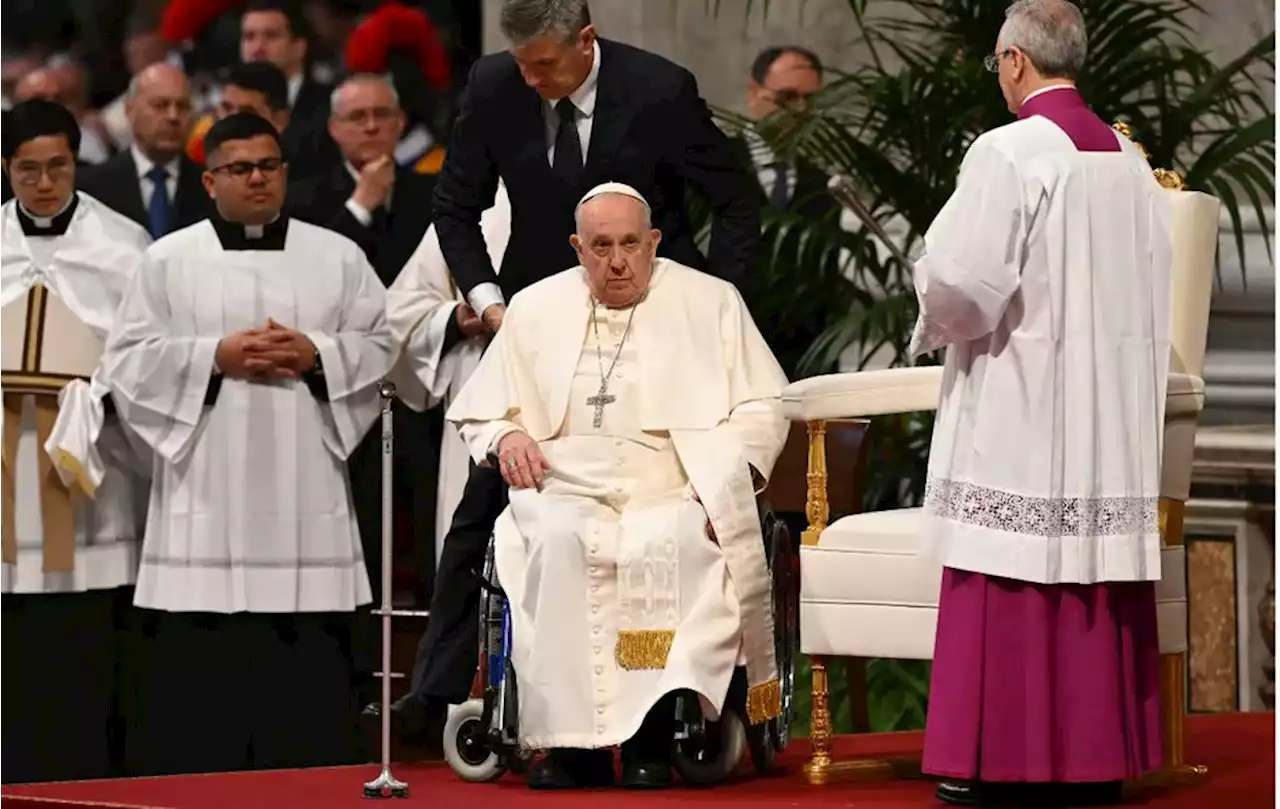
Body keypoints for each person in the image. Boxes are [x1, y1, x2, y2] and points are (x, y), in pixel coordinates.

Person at [374, 0, 763, 743]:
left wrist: (711, 308)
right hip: (541, 325)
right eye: (521, 66)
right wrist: (494, 307)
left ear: (586, 41)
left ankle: (692, 694)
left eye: (546, 65)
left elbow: (735, 203)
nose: (532, 80)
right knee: (482, 503)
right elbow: (455, 206)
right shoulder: (496, 86)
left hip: (651, 317)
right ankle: (438, 686)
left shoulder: (659, 90)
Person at [914, 2, 1172, 806]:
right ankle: (1095, 759)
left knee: (1010, 564)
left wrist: (924, 283)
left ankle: (1003, 759)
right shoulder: (1128, 157)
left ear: (1015, 62)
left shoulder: (1010, 150)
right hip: (1106, 408)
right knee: (1088, 568)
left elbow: (964, 284)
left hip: (1024, 401)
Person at [447, 183, 788, 789]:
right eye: (600, 246)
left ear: (653, 240)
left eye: (631, 243)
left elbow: (763, 406)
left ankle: (649, 739)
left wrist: (725, 483)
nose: (618, 260)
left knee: (674, 543)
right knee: (555, 543)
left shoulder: (711, 302)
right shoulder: (535, 307)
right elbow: (484, 411)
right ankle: (569, 747)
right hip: (563, 485)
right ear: (578, 248)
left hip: (672, 481)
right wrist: (507, 439)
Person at [98, 112, 393, 776]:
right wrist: (214, 356)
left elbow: (382, 345)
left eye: (269, 165)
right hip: (207, 493)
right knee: (207, 684)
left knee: (305, 675)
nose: (257, 178)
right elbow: (127, 362)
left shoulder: (337, 255)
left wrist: (317, 353)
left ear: (285, 173)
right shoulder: (167, 260)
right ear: (209, 180)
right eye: (240, 168)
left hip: (304, 491)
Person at [0, 99, 152, 784]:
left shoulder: (122, 246)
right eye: (27, 169)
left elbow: (147, 350)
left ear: (76, 161)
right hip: (4, 468)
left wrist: (97, 395)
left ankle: (91, 772)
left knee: (83, 631)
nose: (43, 183)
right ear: (5, 169)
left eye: (57, 165)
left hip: (90, 467)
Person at [386, 181, 511, 574]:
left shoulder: (600, 193)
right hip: (479, 375)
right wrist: (456, 320)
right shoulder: (476, 203)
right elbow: (399, 313)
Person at [77, 64, 213, 239]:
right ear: (130, 110)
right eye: (160, 105)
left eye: (182, 106)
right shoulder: (90, 188)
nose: (173, 116)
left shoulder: (212, 188)